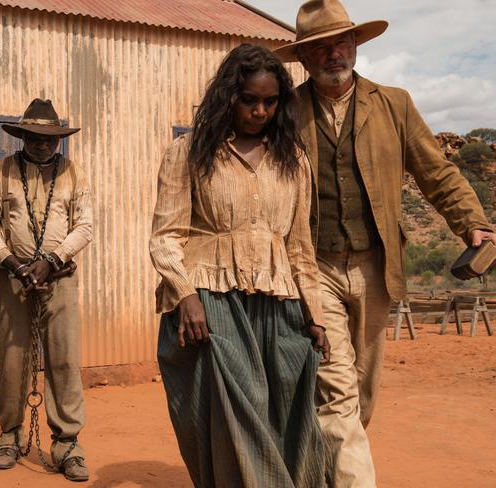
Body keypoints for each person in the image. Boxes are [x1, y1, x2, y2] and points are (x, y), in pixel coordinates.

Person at [274, 1, 496, 486]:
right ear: (305, 58)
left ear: (356, 45)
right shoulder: (286, 111)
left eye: (342, 43)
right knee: (335, 386)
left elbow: (435, 171)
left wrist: (472, 223)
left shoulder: (393, 103)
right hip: (314, 267)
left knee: (362, 391)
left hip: (377, 266)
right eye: (321, 47)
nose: (334, 54)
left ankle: (324, 466)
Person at [149, 44, 330, 488]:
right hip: (211, 303)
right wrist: (185, 295)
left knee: (287, 416)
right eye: (249, 99)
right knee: (238, 415)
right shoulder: (189, 152)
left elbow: (300, 248)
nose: (260, 111)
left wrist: (317, 316)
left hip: (279, 304)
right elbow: (166, 234)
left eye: (270, 102)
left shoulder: (294, 160)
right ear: (229, 95)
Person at [0, 98, 93, 482]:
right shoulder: (2, 171)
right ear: (23, 135)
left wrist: (54, 260)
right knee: (13, 358)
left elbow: (85, 226)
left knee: (63, 360)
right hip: (14, 279)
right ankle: (9, 436)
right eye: (35, 137)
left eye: (50, 138)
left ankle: (67, 444)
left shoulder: (73, 173)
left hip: (60, 278)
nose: (43, 144)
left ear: (59, 139)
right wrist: (14, 263)